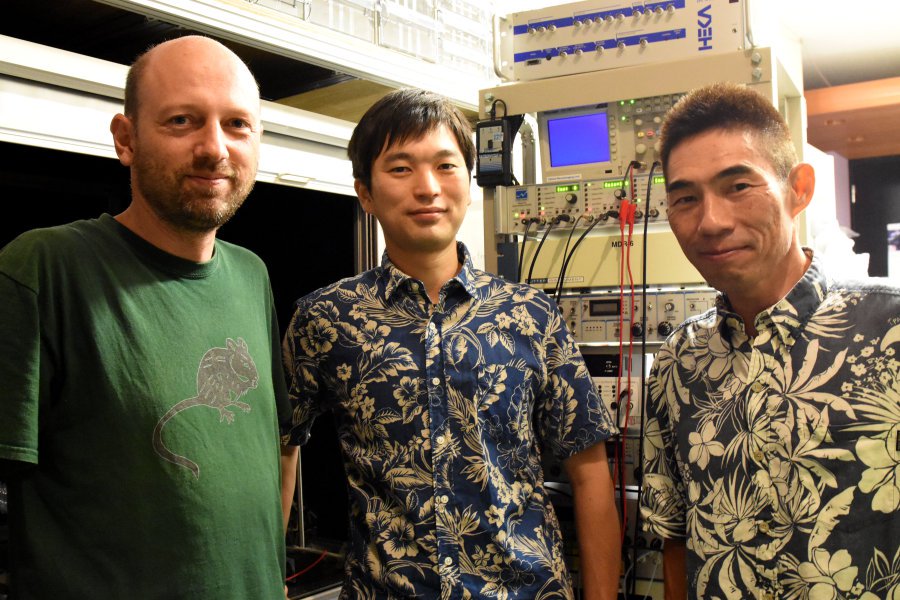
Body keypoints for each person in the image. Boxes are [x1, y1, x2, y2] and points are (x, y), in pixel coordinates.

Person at [282, 89, 621, 599]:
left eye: (445, 166)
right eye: (400, 169)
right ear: (365, 192)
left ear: (467, 179)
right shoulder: (326, 319)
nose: (427, 188)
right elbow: (282, 450)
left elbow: (591, 476)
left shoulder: (531, 314)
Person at [0, 36, 298, 598]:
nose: (214, 148)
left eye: (237, 124)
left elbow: (276, 443)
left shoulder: (251, 274)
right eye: (182, 120)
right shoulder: (43, 268)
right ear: (125, 139)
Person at [640, 82, 900, 599]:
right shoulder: (678, 363)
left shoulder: (888, 330)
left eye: (738, 186)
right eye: (686, 198)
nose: (711, 222)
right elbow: (673, 538)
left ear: (798, 189)